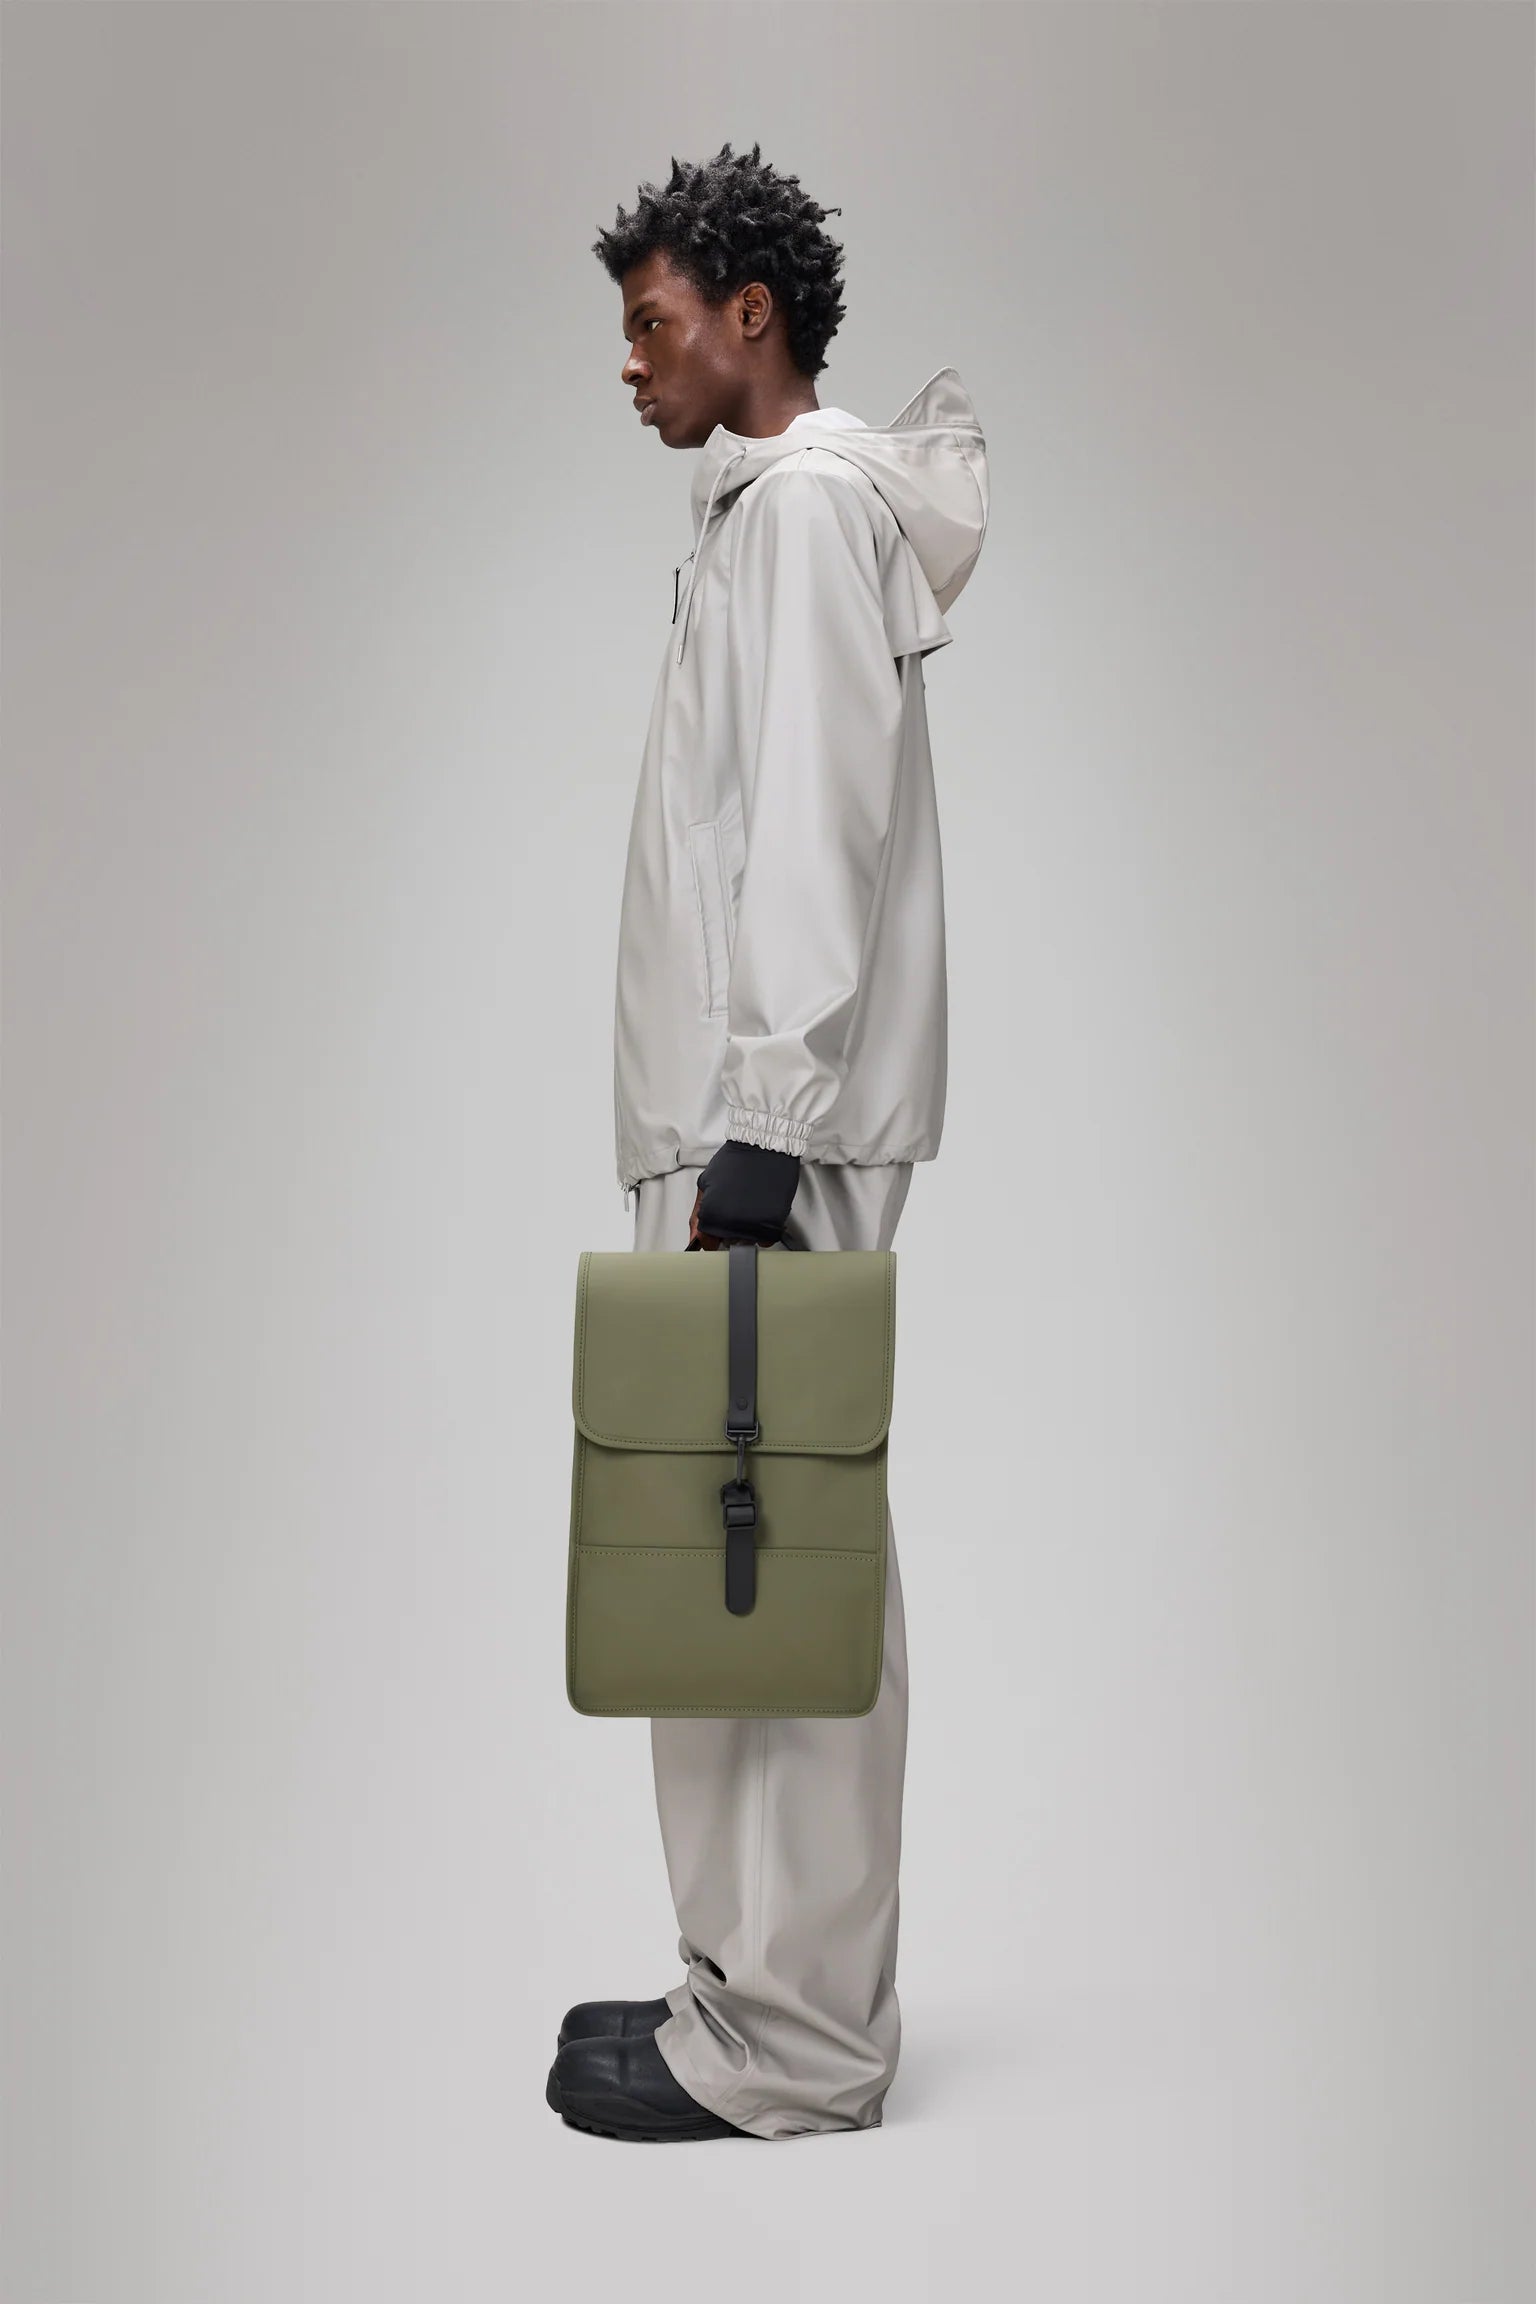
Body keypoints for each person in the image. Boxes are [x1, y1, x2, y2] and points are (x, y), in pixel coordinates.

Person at [547, 140, 989, 2143]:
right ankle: (741, 1985)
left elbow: (818, 821)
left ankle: (796, 2044)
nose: (632, 362)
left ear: (751, 317)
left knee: (778, 1550)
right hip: (735, 1123)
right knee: (722, 1549)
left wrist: (762, 1127)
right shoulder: (759, 515)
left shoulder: (805, 514)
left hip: (763, 1140)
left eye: (653, 325)